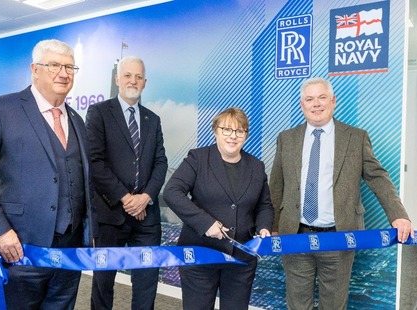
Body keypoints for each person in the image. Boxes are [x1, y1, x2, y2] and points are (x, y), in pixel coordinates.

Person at [0, 39, 96, 309]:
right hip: (20, 248)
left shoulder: (77, 120)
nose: (63, 73)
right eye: (54, 65)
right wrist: (1, 231)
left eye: (69, 67)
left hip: (70, 252)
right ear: (35, 69)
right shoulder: (1, 110)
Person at [269, 77, 415, 310]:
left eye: (322, 97)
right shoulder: (286, 138)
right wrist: (274, 225)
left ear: (333, 101)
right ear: (302, 104)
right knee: (297, 304)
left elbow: (377, 176)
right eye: (309, 99)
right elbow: (276, 185)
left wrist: (398, 214)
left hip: (339, 236)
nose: (316, 104)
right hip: (294, 235)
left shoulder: (356, 137)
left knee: (334, 304)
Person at [163, 107, 273, 310]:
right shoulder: (197, 158)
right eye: (227, 130)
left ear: (246, 135)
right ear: (216, 131)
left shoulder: (256, 166)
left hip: (242, 257)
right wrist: (205, 223)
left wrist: (264, 226)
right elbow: (172, 192)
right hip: (200, 255)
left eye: (240, 131)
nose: (233, 136)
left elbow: (264, 205)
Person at [86, 56, 168, 310]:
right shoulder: (99, 112)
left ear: (145, 82)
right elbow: (95, 162)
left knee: (146, 283)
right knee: (103, 282)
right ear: (117, 79)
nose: (133, 81)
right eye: (128, 75)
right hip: (111, 214)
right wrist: (125, 197)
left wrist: (145, 197)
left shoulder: (152, 120)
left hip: (146, 217)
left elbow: (160, 163)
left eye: (139, 77)